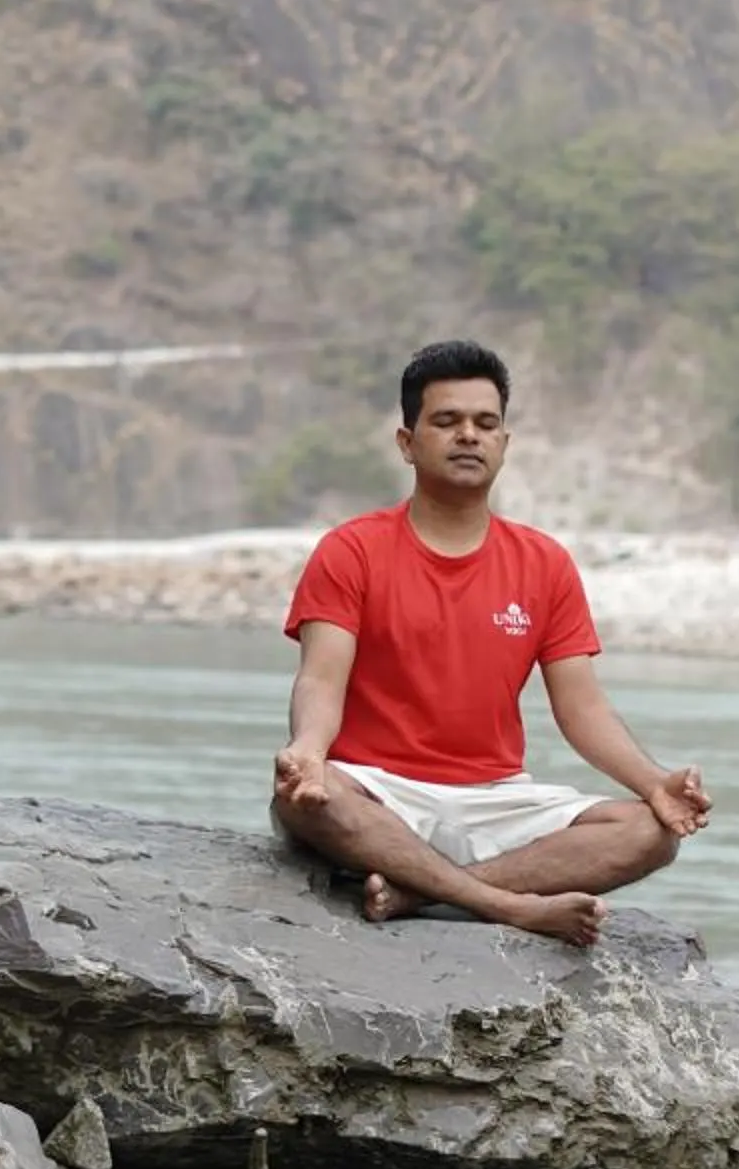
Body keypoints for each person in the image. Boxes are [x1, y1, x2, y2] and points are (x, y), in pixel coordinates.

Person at [270, 339, 712, 946]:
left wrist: (653, 783)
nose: (468, 436)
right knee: (305, 802)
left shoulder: (544, 563)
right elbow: (320, 677)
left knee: (646, 833)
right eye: (446, 422)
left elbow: (581, 708)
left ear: (505, 443)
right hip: (378, 791)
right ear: (408, 443)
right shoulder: (352, 550)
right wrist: (310, 751)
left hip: (494, 800)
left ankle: (421, 892)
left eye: (485, 423)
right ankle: (508, 906)